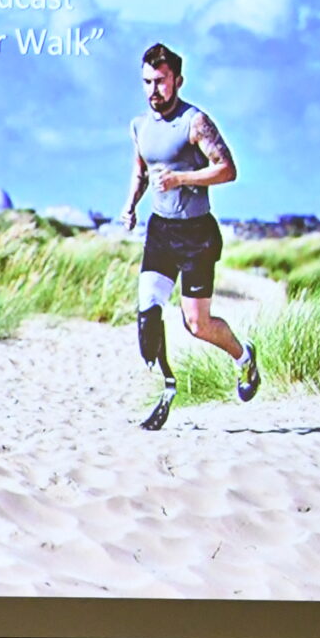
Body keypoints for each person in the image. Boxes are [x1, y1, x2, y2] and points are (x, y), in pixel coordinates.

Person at [123, 43, 261, 430]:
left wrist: (182, 178)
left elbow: (227, 169)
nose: (154, 90)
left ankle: (243, 356)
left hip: (197, 234)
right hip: (160, 231)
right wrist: (131, 204)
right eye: (147, 82)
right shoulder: (139, 127)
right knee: (148, 312)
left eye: (161, 82)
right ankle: (168, 386)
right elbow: (141, 172)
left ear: (178, 81)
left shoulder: (194, 122)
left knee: (196, 324)